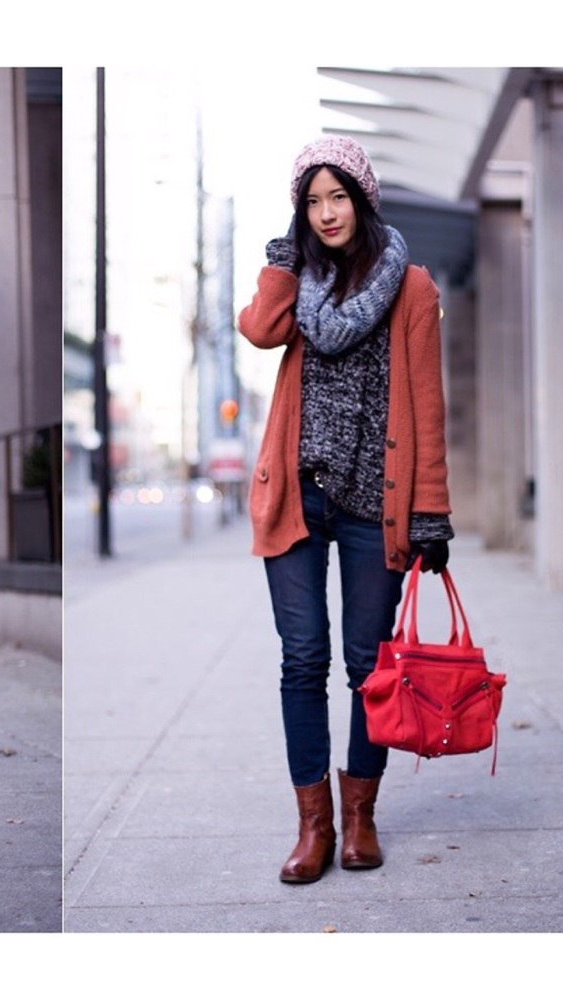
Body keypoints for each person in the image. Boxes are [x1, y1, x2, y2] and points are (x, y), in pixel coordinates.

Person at [239, 135, 453, 884]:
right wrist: (282, 256)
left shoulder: (412, 287)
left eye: (337, 197)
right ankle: (314, 827)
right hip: (298, 495)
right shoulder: (298, 282)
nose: (326, 213)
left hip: (374, 502)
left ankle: (360, 817)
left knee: (369, 667)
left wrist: (432, 515)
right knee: (302, 661)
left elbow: (427, 406)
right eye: (312, 201)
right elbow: (257, 329)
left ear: (362, 200)